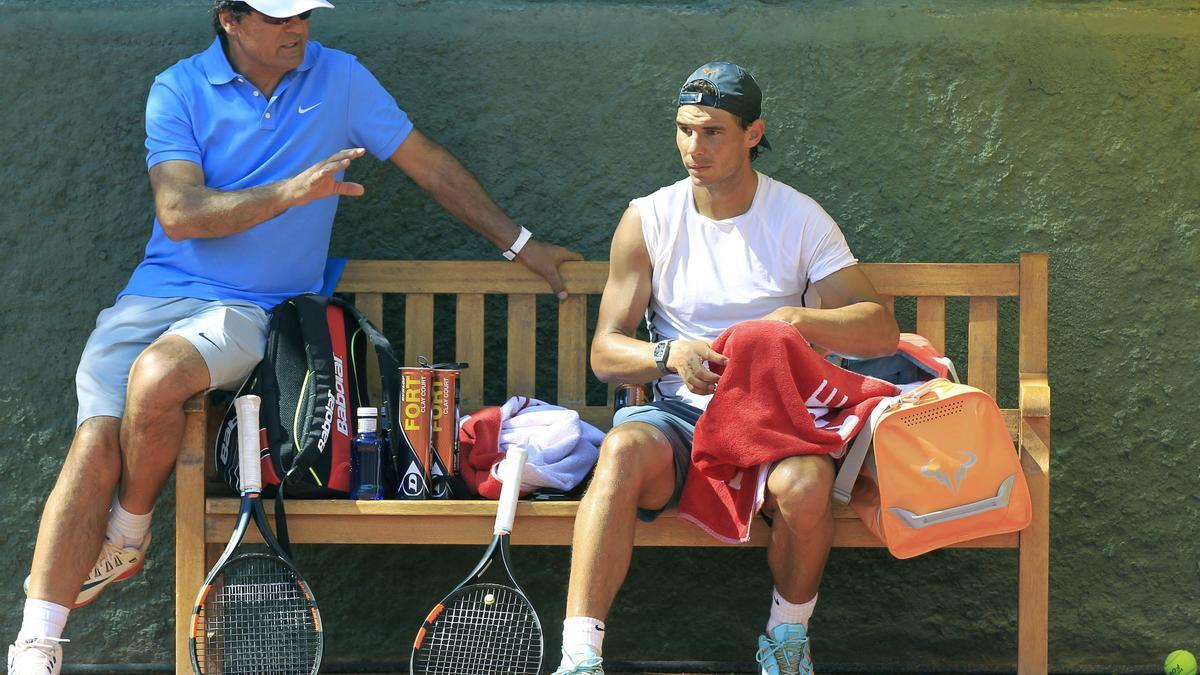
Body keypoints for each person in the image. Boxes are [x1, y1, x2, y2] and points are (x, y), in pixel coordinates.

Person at [6, 1, 583, 672]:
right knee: (94, 439)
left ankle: (129, 535)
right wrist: (290, 192)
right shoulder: (179, 88)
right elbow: (179, 211)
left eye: (304, 13)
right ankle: (35, 644)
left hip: (253, 311)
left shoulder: (341, 79)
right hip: (152, 297)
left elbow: (428, 164)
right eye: (278, 16)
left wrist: (521, 244)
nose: (297, 28)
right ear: (229, 19)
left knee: (159, 378)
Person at [550, 62, 898, 675]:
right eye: (684, 130)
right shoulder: (649, 218)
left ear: (752, 133)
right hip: (679, 418)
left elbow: (879, 328)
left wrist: (799, 322)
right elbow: (605, 353)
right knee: (623, 449)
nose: (694, 147)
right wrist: (669, 354)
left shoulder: (799, 218)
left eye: (712, 132)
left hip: (777, 420)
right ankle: (580, 657)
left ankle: (786, 641)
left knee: (809, 484)